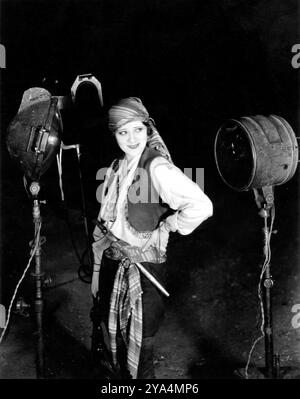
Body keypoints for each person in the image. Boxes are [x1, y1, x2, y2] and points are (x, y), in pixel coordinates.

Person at [91, 97, 213, 379]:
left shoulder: (157, 167)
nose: (131, 138)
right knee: (113, 349)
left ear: (147, 129)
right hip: (112, 265)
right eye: (123, 132)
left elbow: (202, 206)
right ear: (114, 135)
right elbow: (102, 227)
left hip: (144, 274)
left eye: (137, 130)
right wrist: (97, 274)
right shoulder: (115, 167)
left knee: (140, 357)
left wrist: (171, 224)